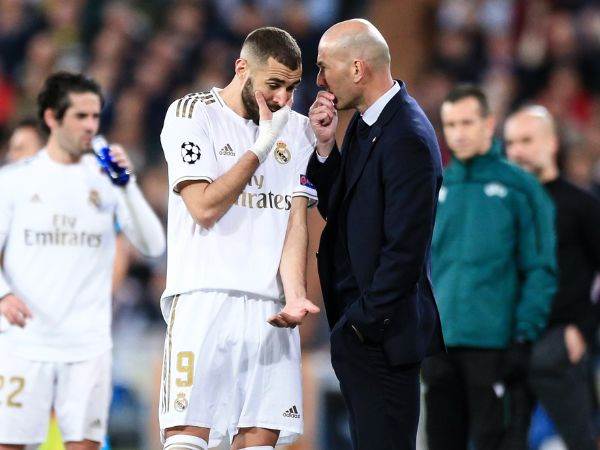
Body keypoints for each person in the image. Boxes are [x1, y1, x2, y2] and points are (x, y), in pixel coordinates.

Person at [158, 27, 320, 450]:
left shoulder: (298, 131)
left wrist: (295, 294)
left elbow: (294, 223)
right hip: (203, 300)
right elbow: (204, 207)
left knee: (260, 441)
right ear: (242, 68)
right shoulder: (191, 114)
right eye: (274, 85)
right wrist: (260, 148)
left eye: (292, 87)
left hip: (269, 309)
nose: (283, 98)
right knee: (188, 439)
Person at [0, 72, 166, 450]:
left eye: (95, 116)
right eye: (80, 116)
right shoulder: (14, 181)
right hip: (26, 341)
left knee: (84, 445)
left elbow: (154, 245)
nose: (91, 125)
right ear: (52, 118)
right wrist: (3, 295)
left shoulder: (106, 178)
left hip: (88, 343)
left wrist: (127, 186)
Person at [305, 19, 445, 450]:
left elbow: (404, 252)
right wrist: (326, 147)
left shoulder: (408, 136)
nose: (321, 80)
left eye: (325, 67)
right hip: (364, 335)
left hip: (382, 339)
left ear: (358, 69)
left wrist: (363, 325)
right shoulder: (370, 123)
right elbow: (338, 208)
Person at [423, 85, 557, 450]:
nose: (458, 133)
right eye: (450, 124)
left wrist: (522, 336)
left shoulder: (522, 189)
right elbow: (423, 268)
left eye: (467, 122)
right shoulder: (436, 185)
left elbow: (540, 269)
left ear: (488, 124)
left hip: (495, 347)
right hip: (441, 346)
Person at [505, 105, 600, 450]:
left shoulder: (582, 205)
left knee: (580, 442)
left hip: (560, 343)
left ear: (552, 143)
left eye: (527, 140)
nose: (517, 150)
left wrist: (583, 331)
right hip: (510, 343)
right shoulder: (503, 206)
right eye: (511, 142)